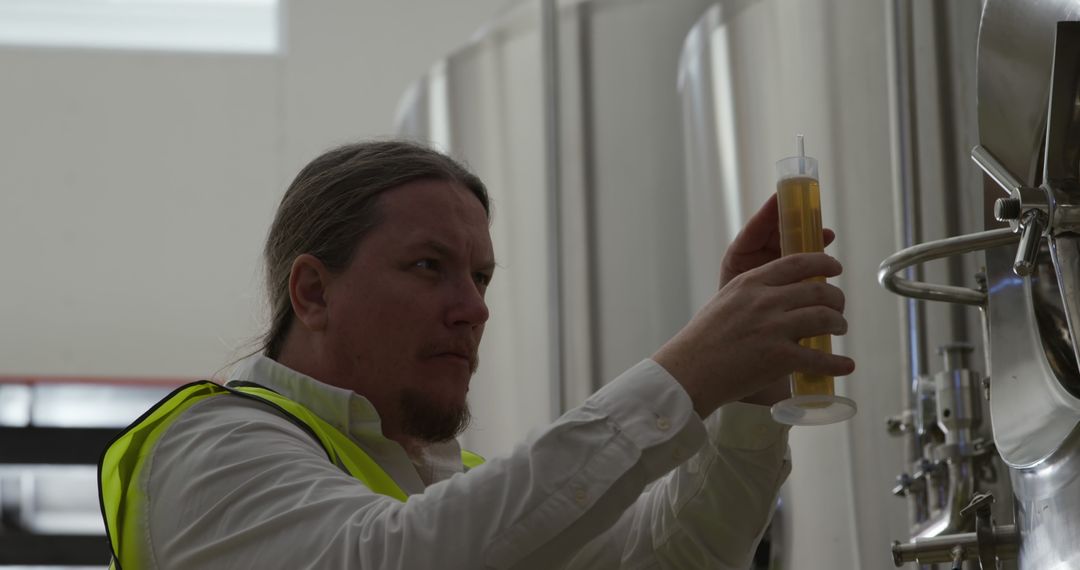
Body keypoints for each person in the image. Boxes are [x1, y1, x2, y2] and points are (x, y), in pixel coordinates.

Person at [99, 140, 853, 569]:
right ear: (313, 293)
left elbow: (670, 557)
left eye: (482, 276)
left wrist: (748, 398)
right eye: (429, 267)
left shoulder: (443, 492)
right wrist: (686, 373)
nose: (474, 308)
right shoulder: (213, 448)